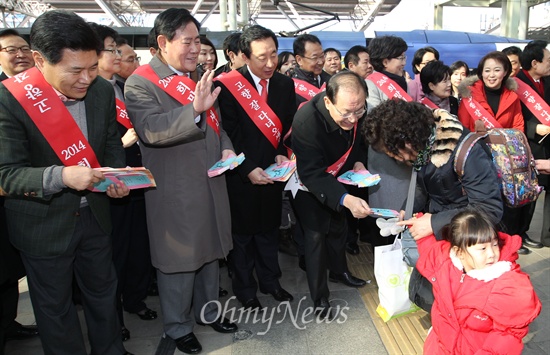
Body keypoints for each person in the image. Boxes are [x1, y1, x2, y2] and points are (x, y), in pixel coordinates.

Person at [0, 10, 131, 355]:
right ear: (39, 60)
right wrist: (62, 175)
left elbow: (111, 145)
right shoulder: (9, 100)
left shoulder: (101, 91)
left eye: (92, 67)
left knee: (104, 295)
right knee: (54, 309)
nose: (86, 79)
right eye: (75, 70)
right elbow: (5, 174)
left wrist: (116, 177)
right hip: (43, 224)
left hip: (95, 215)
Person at [124, 8, 237, 354]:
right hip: (175, 189)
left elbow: (218, 126)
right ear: (162, 42)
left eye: (197, 42)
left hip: (209, 181)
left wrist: (229, 149)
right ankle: (176, 326)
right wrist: (194, 111)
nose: (194, 49)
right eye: (187, 42)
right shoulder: (140, 81)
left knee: (208, 253)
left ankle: (208, 312)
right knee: (178, 261)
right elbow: (152, 130)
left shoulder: (191, 77)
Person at [214, 25, 295, 311]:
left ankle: (271, 282)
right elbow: (228, 133)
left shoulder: (285, 84)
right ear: (245, 57)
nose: (270, 63)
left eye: (274, 54)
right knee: (243, 235)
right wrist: (247, 167)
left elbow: (285, 128)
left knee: (269, 230)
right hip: (240, 174)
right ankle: (246, 289)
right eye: (262, 57)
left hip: (272, 174)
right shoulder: (227, 86)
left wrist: (281, 154)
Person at [89, 22, 156, 342]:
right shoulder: (86, 91)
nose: (117, 55)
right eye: (110, 49)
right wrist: (126, 145)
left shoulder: (121, 86)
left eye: (118, 49)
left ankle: (135, 297)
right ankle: (113, 318)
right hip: (105, 187)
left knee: (136, 245)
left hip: (134, 180)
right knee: (112, 255)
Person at [363, 99, 503, 240]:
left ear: (407, 141)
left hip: (472, 239)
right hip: (447, 229)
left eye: (394, 152)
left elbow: (489, 209)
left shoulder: (467, 152)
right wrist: (409, 207)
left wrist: (434, 223)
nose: (397, 159)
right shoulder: (423, 147)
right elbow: (424, 184)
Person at [292, 71, 369, 319]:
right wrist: (345, 199)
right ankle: (319, 296)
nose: (352, 118)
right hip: (310, 185)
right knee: (315, 239)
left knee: (339, 228)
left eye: (358, 111)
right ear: (328, 101)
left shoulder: (356, 110)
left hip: (341, 178)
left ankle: (339, 271)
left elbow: (359, 142)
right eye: (345, 113)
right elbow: (312, 173)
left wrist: (358, 162)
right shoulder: (306, 121)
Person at [413, 210, 541, 355]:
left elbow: (507, 337)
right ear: (459, 252)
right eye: (482, 248)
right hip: (439, 348)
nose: (492, 254)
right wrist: (417, 221)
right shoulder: (445, 262)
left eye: (494, 245)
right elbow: (429, 249)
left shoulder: (507, 286)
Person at [0, 28, 39, 352]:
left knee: (11, 268)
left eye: (24, 48)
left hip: (32, 195)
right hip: (7, 189)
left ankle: (8, 322)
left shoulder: (41, 92)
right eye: (11, 49)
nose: (20, 55)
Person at [364, 35, 411, 247]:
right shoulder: (370, 83)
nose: (403, 62)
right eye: (399, 57)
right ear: (385, 61)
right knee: (384, 206)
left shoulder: (402, 82)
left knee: (404, 206)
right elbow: (375, 119)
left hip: (405, 155)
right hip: (384, 155)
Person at [516, 40, 550, 248]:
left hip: (548, 146)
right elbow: (513, 115)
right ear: (535, 63)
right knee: (528, 194)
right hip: (528, 146)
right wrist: (532, 128)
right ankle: (519, 234)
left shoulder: (547, 81)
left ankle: (546, 236)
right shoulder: (517, 82)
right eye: (548, 60)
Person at [291, 34, 331, 107]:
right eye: (314, 58)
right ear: (299, 60)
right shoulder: (290, 87)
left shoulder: (331, 80)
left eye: (322, 56)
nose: (321, 62)